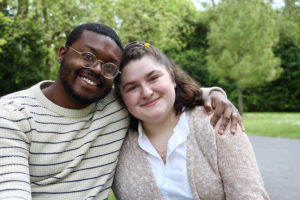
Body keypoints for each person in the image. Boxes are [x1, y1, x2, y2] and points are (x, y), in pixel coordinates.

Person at [0, 23, 242, 199]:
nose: (96, 69)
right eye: (87, 56)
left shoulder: (116, 105)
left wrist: (214, 94)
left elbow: (160, 93)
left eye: (108, 67)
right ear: (62, 54)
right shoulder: (12, 115)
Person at [112, 42, 269, 199]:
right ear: (122, 97)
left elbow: (249, 195)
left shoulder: (217, 122)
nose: (146, 92)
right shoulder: (115, 144)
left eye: (153, 78)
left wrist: (215, 92)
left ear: (172, 78)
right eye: (132, 87)